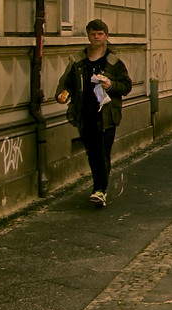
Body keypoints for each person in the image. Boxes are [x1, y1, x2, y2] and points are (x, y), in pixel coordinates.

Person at [55, 19, 132, 206]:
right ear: (88, 36)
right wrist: (62, 94)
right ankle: (99, 187)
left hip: (106, 116)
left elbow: (126, 86)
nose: (96, 37)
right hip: (84, 113)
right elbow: (67, 84)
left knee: (102, 153)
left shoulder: (113, 62)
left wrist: (111, 85)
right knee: (92, 152)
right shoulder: (78, 60)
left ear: (106, 35)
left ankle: (100, 190)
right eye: (93, 34)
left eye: (100, 34)